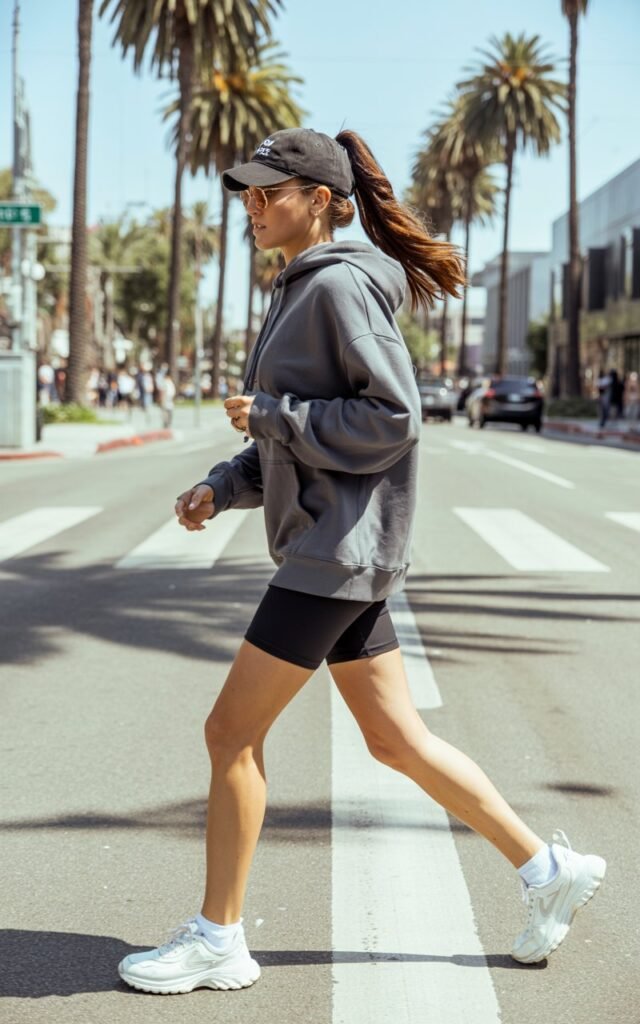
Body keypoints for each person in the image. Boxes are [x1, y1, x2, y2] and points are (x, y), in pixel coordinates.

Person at [118, 128, 606, 995]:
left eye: (268, 191)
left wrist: (271, 416)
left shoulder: (338, 286)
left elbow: (391, 417)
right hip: (339, 547)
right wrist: (221, 486)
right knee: (396, 739)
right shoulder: (300, 287)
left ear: (320, 199)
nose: (252, 206)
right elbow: (291, 429)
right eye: (247, 193)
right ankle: (546, 870)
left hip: (333, 554)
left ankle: (218, 937)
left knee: (229, 734)